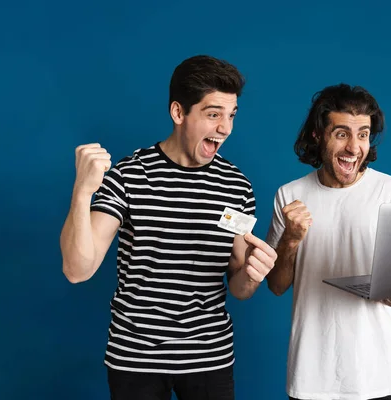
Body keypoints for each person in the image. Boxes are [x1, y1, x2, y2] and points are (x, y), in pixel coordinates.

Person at [59, 55, 277, 400]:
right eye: (213, 114)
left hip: (209, 358)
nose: (226, 128)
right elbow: (77, 269)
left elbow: (238, 287)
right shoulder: (129, 175)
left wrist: (252, 274)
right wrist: (83, 191)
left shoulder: (236, 187)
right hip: (136, 359)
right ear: (178, 113)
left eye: (231, 115)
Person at [265, 83, 391, 400]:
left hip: (379, 375)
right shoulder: (289, 195)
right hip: (311, 377)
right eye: (341, 134)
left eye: (362, 134)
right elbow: (277, 285)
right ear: (317, 135)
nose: (354, 147)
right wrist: (291, 240)